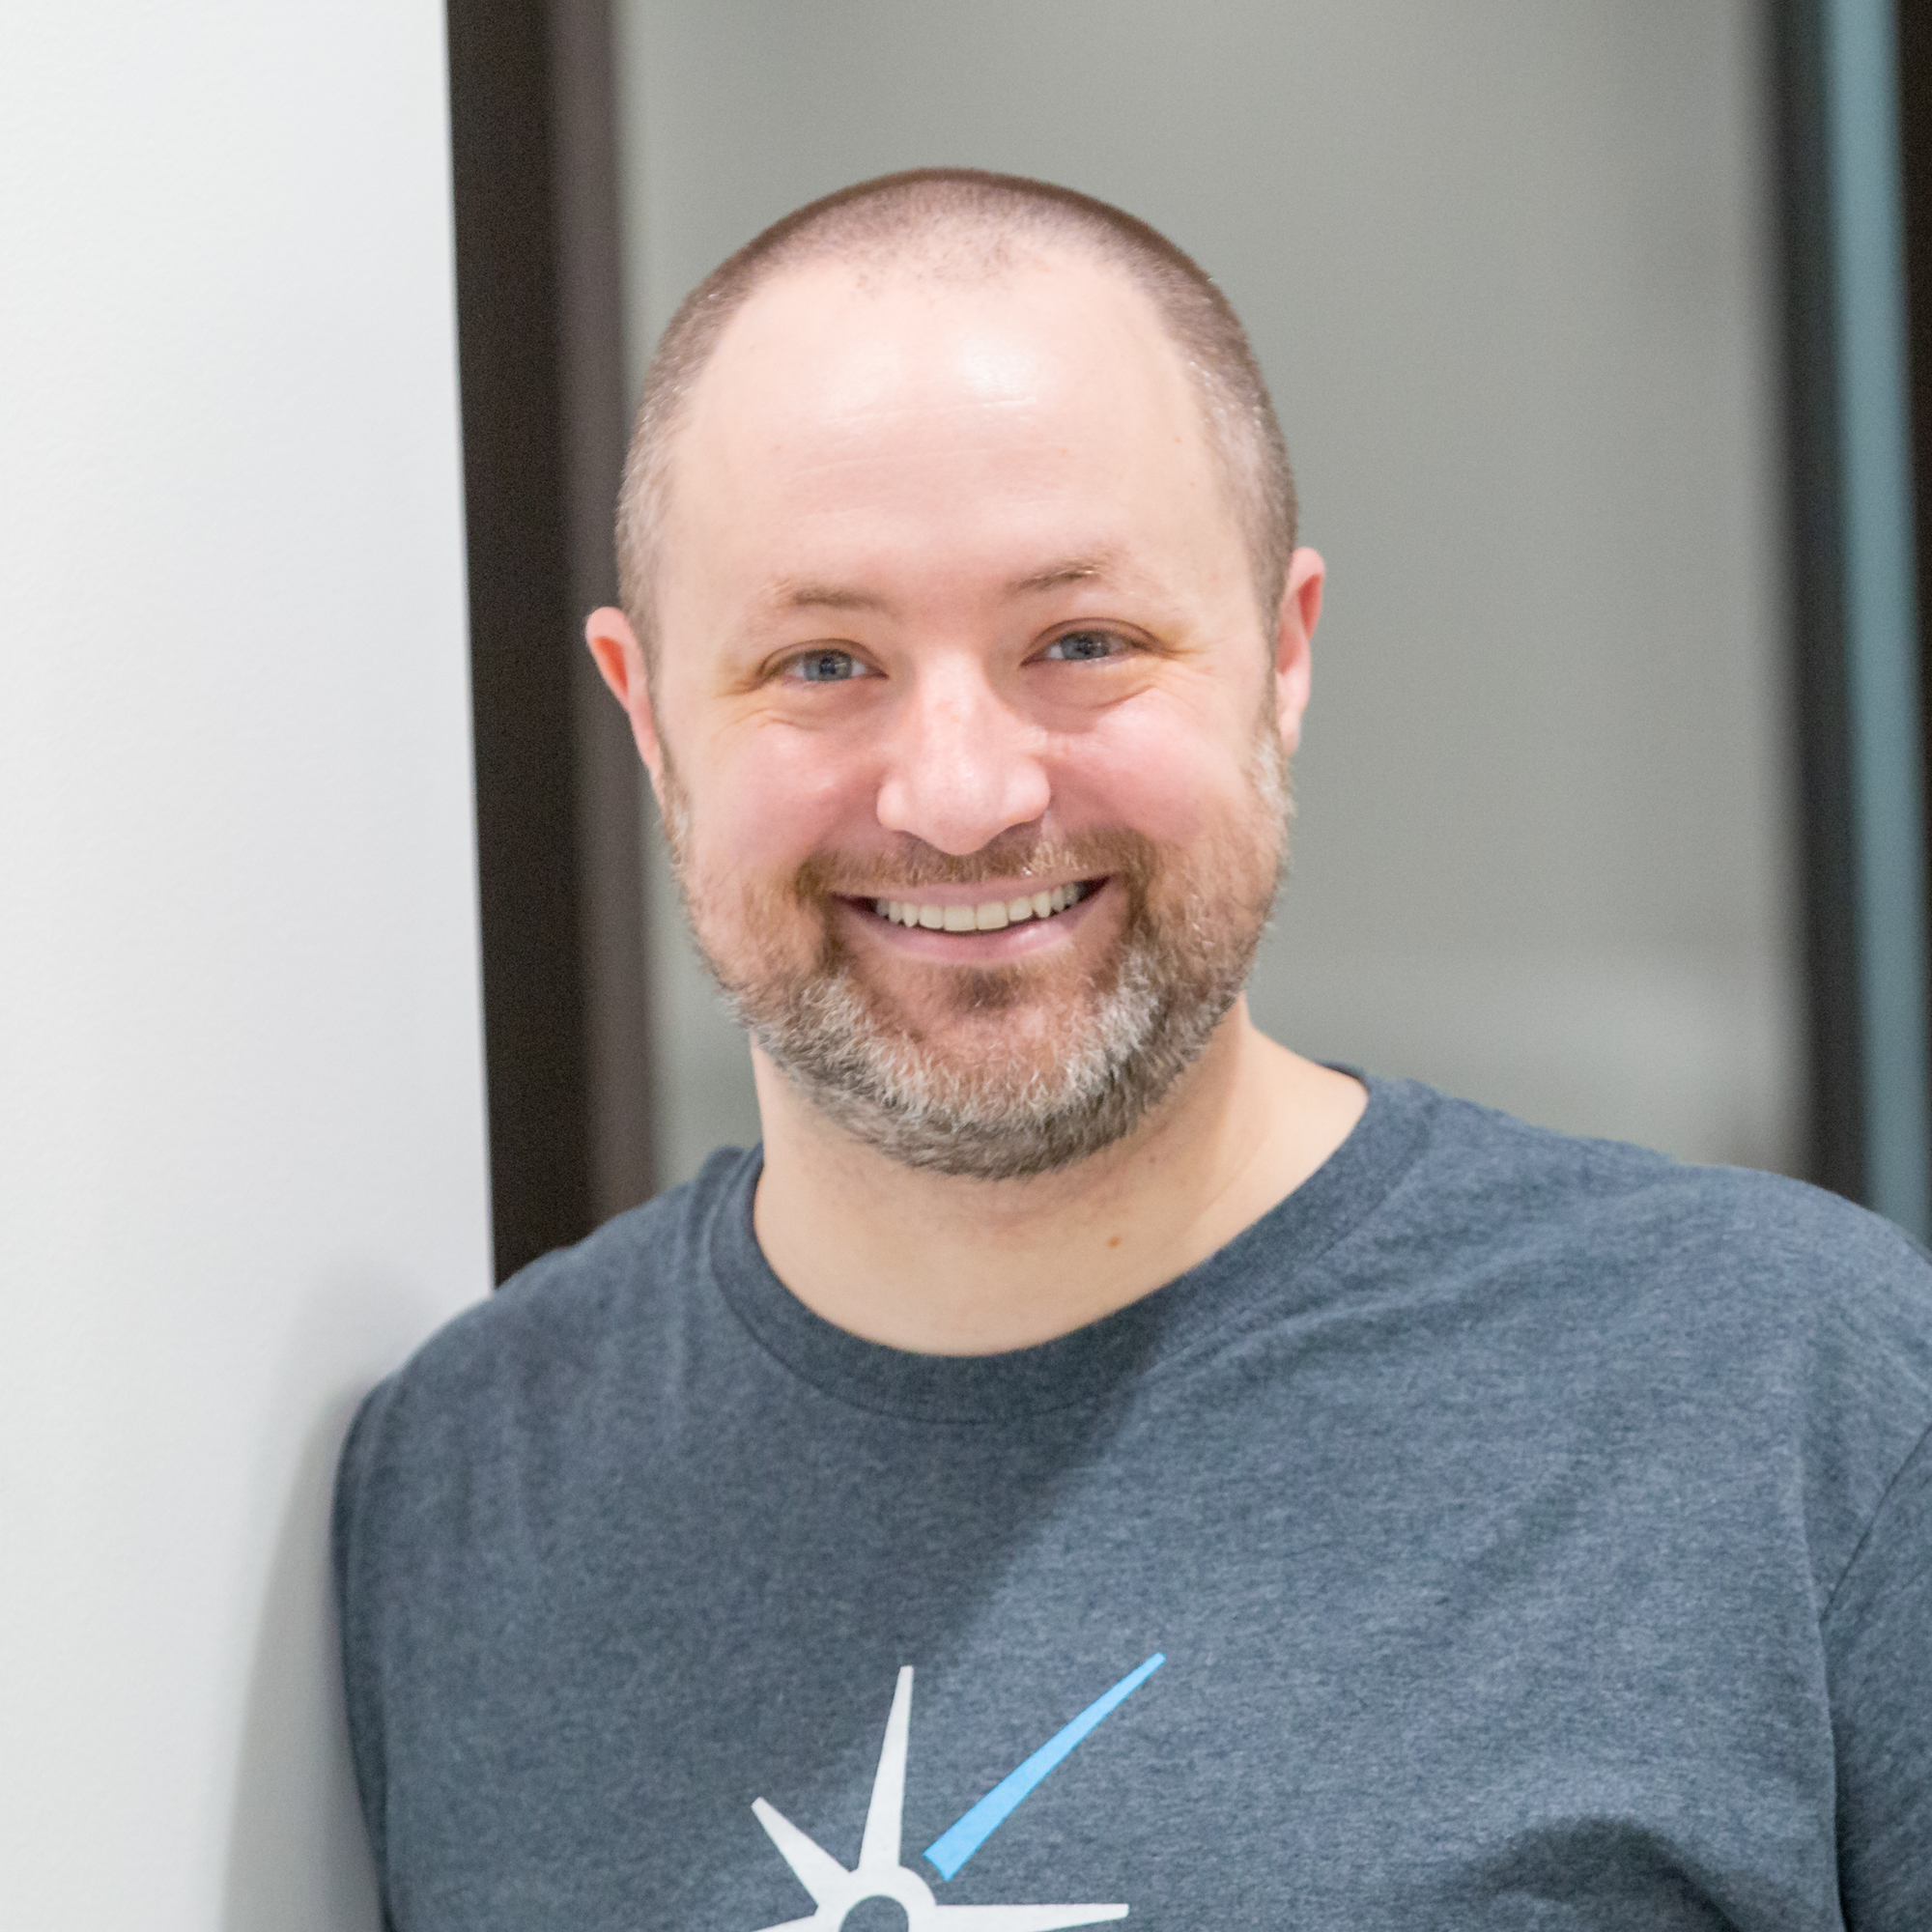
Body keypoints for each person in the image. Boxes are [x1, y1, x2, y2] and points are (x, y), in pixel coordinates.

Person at [334, 171, 1932, 1930]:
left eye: (1082, 643)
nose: (961, 794)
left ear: (1282, 658)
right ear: (648, 716)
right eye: (824, 662)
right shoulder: (457, 1492)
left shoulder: (1793, 1395)